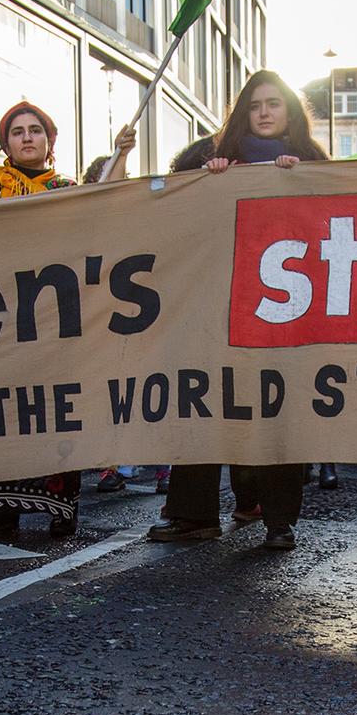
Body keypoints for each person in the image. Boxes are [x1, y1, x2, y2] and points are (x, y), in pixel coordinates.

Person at [0, 63, 137, 538]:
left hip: (57, 314)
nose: (26, 137)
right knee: (8, 409)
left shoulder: (63, 192)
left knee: (58, 407)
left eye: (35, 130)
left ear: (49, 141)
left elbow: (107, 202)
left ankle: (62, 508)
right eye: (17, 131)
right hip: (1, 315)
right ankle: (4, 507)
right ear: (5, 143)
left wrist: (121, 154)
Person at [147, 70, 324, 552]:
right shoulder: (211, 158)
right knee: (201, 402)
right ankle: (192, 515)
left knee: (277, 410)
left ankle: (279, 520)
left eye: (274, 103)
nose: (264, 113)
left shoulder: (312, 162)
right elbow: (172, 212)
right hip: (214, 302)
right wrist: (204, 183)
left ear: (290, 111)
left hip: (284, 309)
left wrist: (305, 183)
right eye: (255, 105)